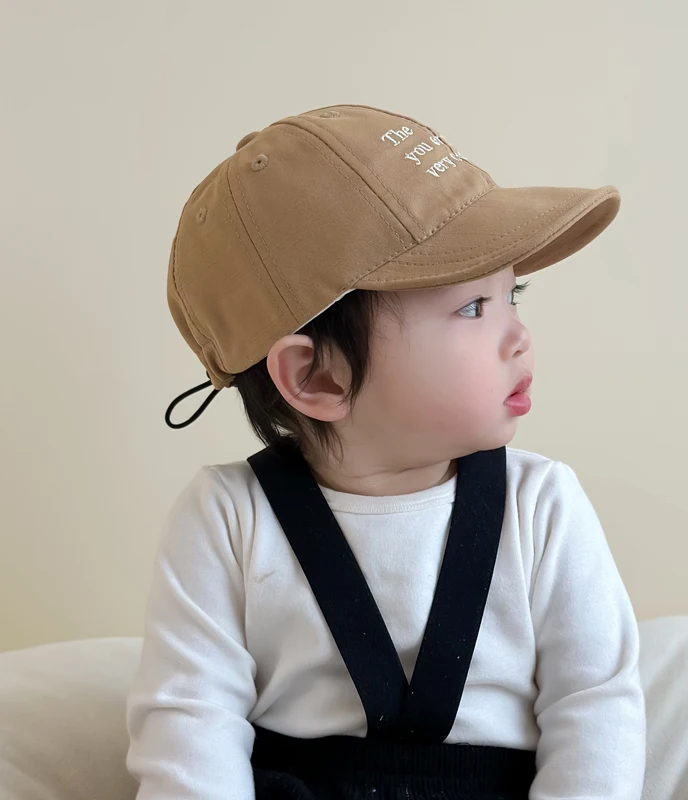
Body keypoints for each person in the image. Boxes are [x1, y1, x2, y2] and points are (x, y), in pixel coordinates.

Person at [125, 103, 646, 800]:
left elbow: (596, 707)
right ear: (319, 375)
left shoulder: (542, 506)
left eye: (512, 294)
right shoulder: (227, 519)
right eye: (473, 308)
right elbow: (189, 724)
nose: (519, 336)